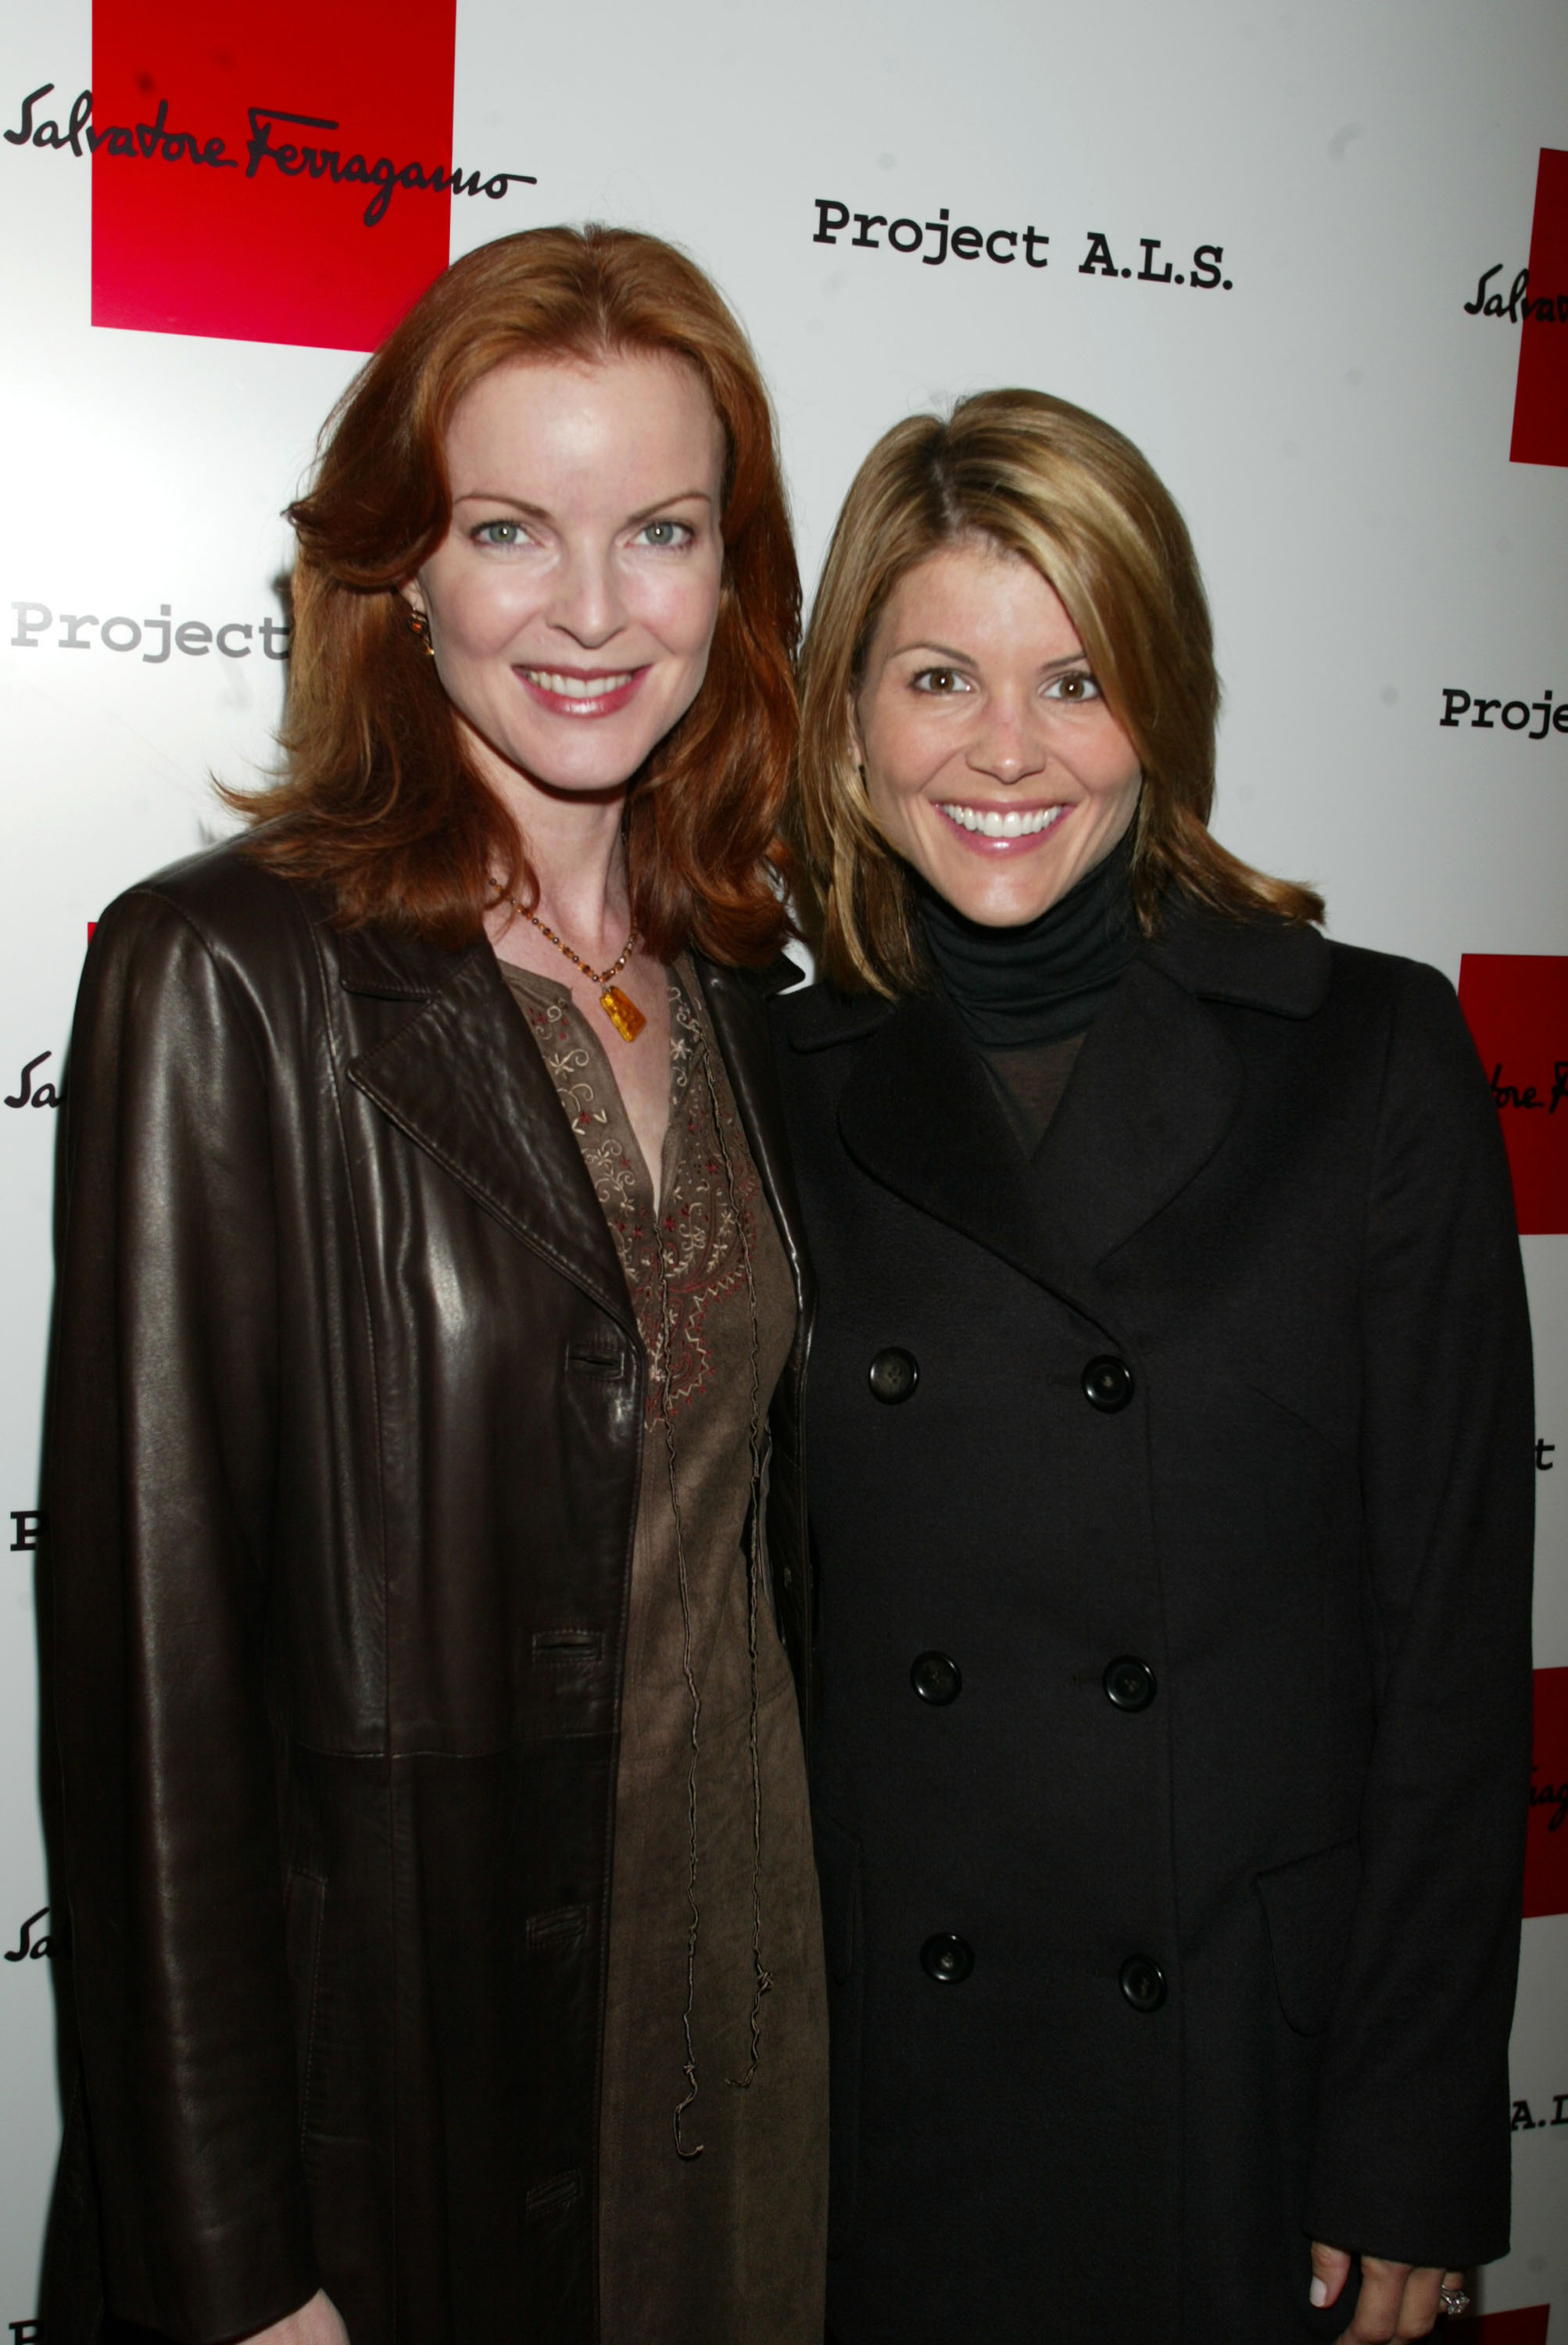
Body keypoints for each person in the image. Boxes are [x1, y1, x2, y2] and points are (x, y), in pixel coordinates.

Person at [42, 225, 827, 2345]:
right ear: (403, 570)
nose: (591, 612)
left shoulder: (751, 991)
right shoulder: (235, 977)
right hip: (408, 2118)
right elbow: (149, 1693)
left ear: (730, 575)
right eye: (512, 527)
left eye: (657, 530)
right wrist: (231, 2271)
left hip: (746, 2036)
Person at [772, 388, 1534, 2344]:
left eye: (1077, 676)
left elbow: (1448, 1644)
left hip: (1240, 2095)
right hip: (877, 2091)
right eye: (939, 674)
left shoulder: (1367, 1057)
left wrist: (1411, 2142)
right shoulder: (758, 1082)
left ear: (1161, 705)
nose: (1005, 750)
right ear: (849, 719)